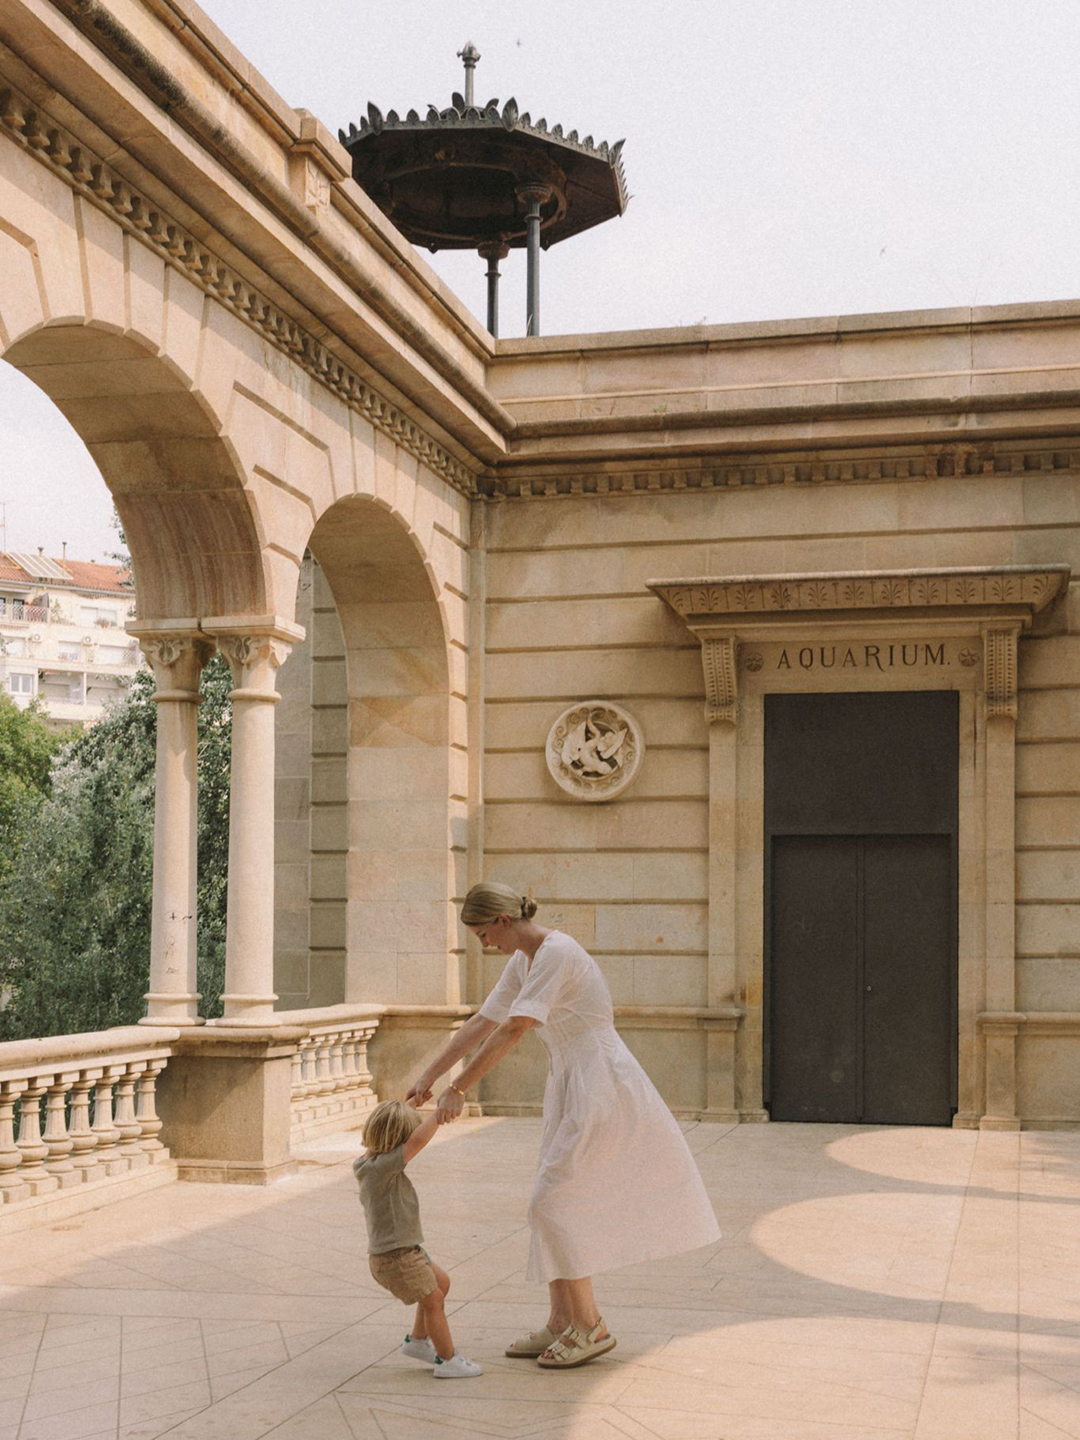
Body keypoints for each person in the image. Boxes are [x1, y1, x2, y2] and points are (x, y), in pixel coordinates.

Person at [406, 881, 721, 1370]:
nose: (485, 946)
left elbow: (515, 1028)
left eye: (484, 935)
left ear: (504, 922)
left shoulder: (556, 952)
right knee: (550, 1199)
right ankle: (560, 1322)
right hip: (571, 1079)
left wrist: (460, 1088)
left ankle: (590, 1325)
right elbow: (482, 1022)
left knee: (553, 1200)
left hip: (600, 1082)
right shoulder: (524, 959)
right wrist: (429, 1076)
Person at [353, 1099, 482, 1379]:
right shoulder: (382, 1169)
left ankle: (417, 1341)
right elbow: (417, 1142)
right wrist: (438, 1114)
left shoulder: (366, 1162)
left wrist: (410, 1103)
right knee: (433, 1300)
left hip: (407, 1250)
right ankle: (448, 1360)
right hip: (396, 1257)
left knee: (441, 1284)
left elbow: (391, 1126)